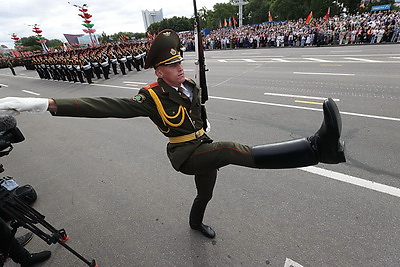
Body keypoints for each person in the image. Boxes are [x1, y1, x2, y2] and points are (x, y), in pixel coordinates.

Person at [0, 29, 345, 239]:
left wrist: (202, 122)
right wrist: (45, 104)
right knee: (230, 150)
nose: (181, 67)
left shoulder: (191, 85)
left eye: (181, 62)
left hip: (202, 145)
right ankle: (316, 149)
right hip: (183, 155)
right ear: (158, 70)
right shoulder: (150, 97)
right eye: (173, 65)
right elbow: (104, 104)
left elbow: (196, 113)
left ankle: (196, 223)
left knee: (206, 194)